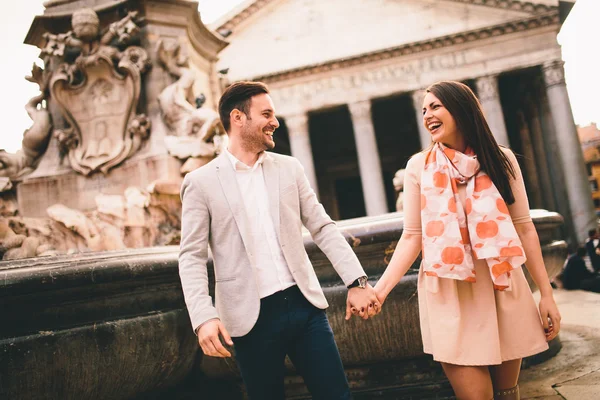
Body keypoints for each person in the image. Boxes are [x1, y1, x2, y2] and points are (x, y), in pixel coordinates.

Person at [178, 81, 381, 400]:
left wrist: (356, 282)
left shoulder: (290, 168)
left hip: (304, 307)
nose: (275, 121)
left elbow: (322, 227)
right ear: (238, 117)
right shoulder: (200, 183)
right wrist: (204, 316)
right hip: (248, 319)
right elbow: (190, 257)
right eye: (267, 114)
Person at [372, 81, 561, 400]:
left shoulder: (500, 159)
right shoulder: (418, 167)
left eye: (435, 107)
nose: (427, 115)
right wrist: (379, 291)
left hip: (501, 284)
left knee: (508, 394)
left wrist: (546, 294)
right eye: (423, 110)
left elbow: (524, 228)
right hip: (449, 292)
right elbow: (412, 236)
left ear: (460, 108)